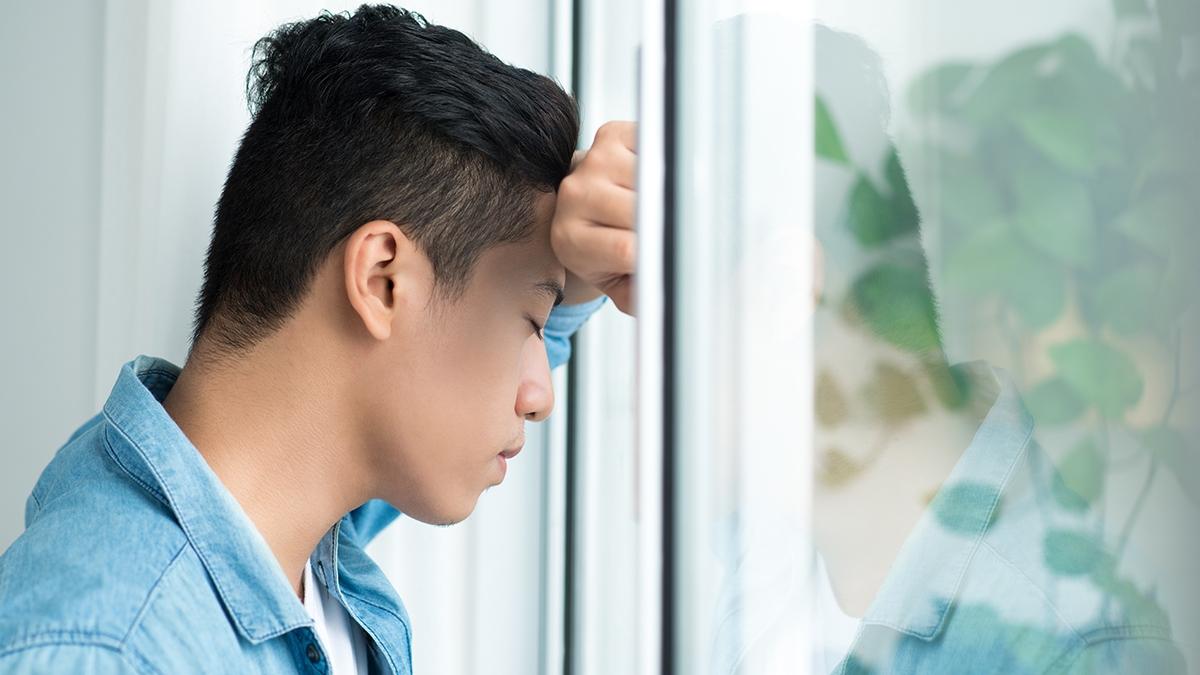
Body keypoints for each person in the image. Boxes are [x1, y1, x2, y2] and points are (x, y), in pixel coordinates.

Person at [0, 6, 636, 674]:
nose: (540, 397)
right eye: (530, 322)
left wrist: (589, 259)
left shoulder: (289, 546)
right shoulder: (101, 652)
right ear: (383, 280)